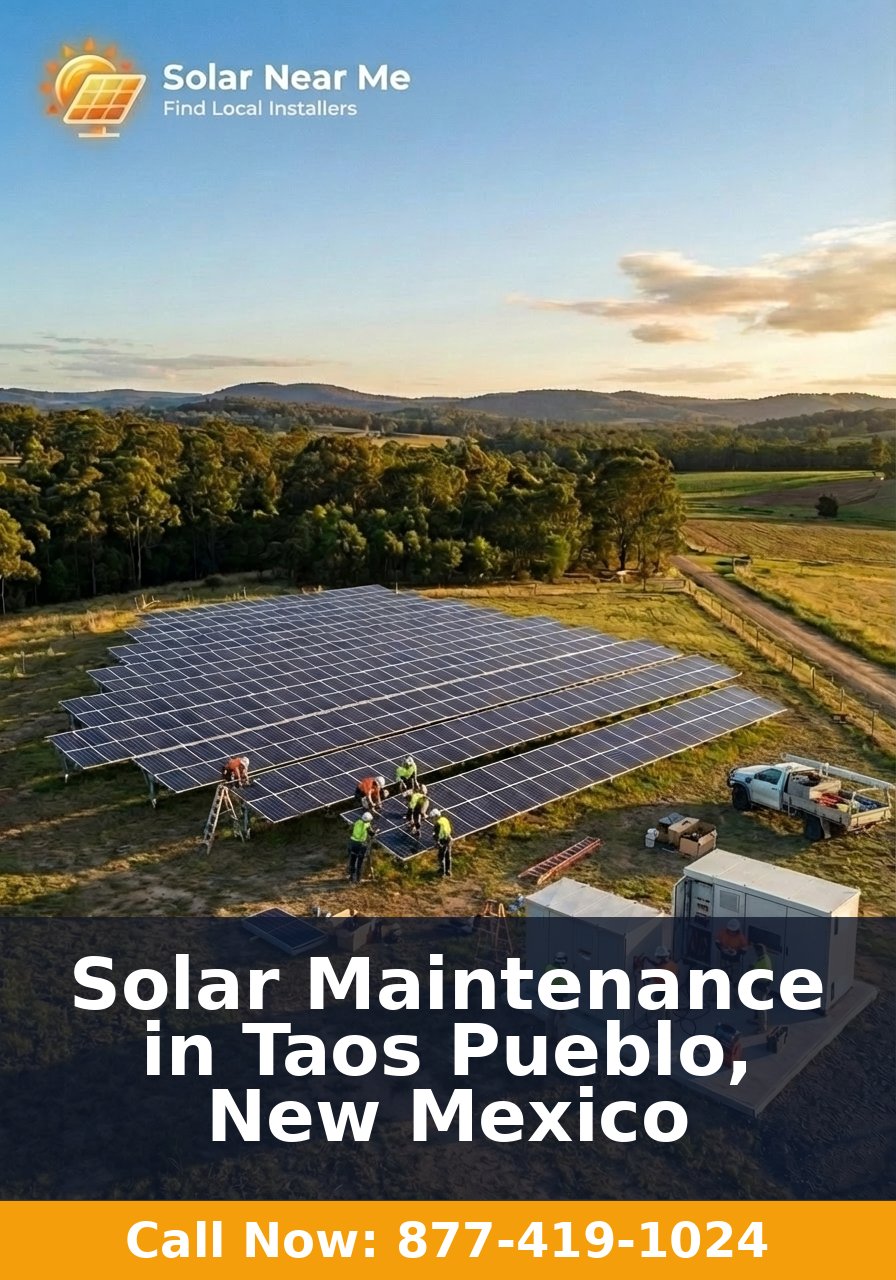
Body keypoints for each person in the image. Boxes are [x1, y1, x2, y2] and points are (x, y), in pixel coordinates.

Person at [751, 943, 774, 1032]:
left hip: (761, 986)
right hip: (761, 985)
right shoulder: (765, 958)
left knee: (761, 1008)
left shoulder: (762, 961)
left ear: (759, 951)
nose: (755, 953)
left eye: (756, 951)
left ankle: (762, 1027)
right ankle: (757, 1020)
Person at [347, 812, 374, 884]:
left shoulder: (357, 822)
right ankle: (358, 879)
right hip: (361, 844)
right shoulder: (367, 825)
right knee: (360, 862)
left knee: (352, 860)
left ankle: (351, 877)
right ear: (368, 820)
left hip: (352, 843)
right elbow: (371, 833)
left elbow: (351, 830)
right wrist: (375, 832)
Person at [430, 809, 453, 877]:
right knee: (448, 856)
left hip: (443, 841)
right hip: (449, 839)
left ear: (436, 816)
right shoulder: (444, 819)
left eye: (432, 818)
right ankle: (448, 871)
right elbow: (449, 828)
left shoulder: (437, 824)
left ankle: (442, 872)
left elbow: (436, 835)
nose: (432, 819)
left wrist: (437, 843)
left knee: (441, 856)